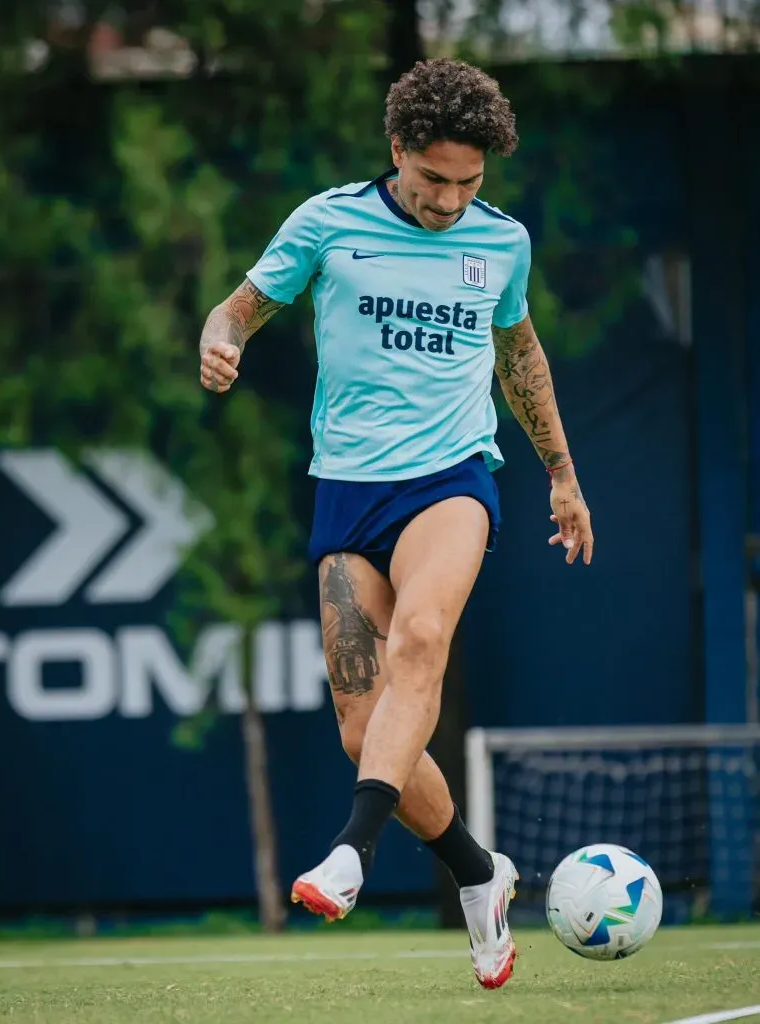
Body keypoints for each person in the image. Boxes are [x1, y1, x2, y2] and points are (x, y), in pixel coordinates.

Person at [199, 58, 593, 990]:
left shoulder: (501, 243)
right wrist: (221, 339)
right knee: (361, 725)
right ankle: (476, 871)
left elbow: (519, 350)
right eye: (433, 179)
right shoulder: (326, 221)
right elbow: (239, 306)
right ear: (397, 152)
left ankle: (352, 849)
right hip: (347, 491)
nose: (451, 198)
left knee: (423, 634)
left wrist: (563, 477)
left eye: (469, 181)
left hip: (451, 480)